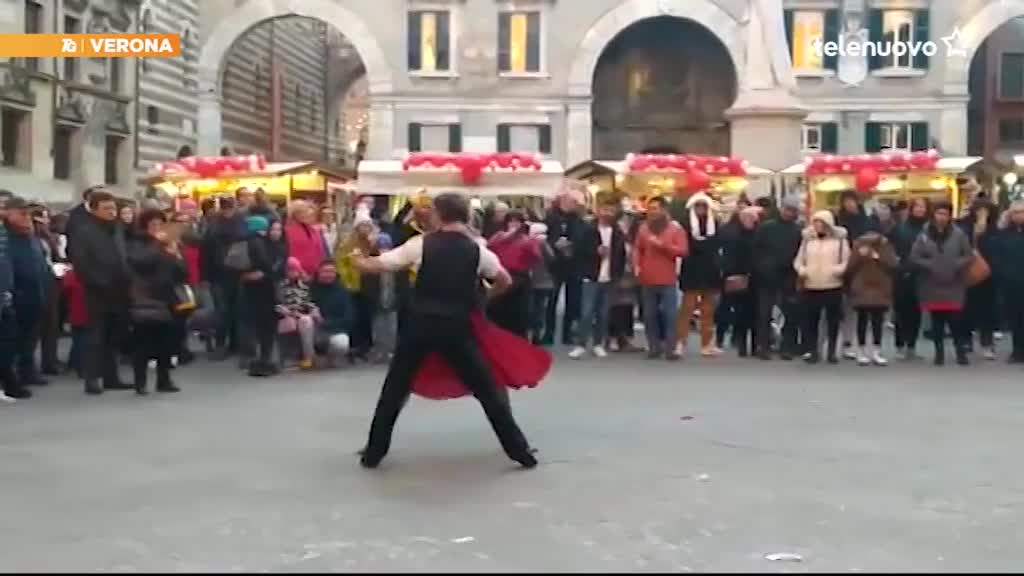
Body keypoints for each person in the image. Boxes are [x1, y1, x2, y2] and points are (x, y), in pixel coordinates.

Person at [352, 193, 539, 470]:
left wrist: (357, 258)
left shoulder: (420, 245)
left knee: (394, 390)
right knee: (488, 391)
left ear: (439, 214)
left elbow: (379, 264)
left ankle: (374, 453)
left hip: (420, 325)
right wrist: (485, 297)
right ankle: (520, 452)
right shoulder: (478, 249)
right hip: (457, 327)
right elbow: (504, 279)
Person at [68, 190, 130, 395]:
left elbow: (123, 256)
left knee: (114, 336)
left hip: (120, 290)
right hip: (97, 291)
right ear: (94, 210)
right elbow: (81, 263)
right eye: (106, 208)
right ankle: (92, 378)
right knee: (95, 336)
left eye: (113, 208)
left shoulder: (117, 229)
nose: (112, 212)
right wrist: (99, 282)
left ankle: (111, 377)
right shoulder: (84, 231)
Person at [127, 209, 186, 394]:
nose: (158, 229)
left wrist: (175, 255)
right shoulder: (138, 243)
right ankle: (140, 381)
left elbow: (182, 273)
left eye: (161, 225)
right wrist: (159, 246)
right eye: (153, 225)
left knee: (166, 342)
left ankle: (164, 379)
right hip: (146, 297)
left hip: (168, 296)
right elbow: (140, 262)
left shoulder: (169, 245)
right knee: (144, 341)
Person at [910, 201, 973, 366]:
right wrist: (931, 264)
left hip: (954, 283)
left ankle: (960, 352)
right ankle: (939, 354)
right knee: (936, 322)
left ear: (950, 216)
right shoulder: (924, 234)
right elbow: (915, 257)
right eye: (939, 213)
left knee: (956, 321)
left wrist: (955, 264)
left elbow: (968, 255)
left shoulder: (959, 234)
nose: (941, 217)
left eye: (945, 214)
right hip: (932, 283)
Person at [570, 199, 626, 359]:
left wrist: (618, 275)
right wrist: (596, 251)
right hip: (591, 276)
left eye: (611, 211)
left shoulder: (617, 232)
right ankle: (581, 344)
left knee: (603, 313)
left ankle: (598, 344)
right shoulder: (588, 230)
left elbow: (621, 255)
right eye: (605, 210)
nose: (608, 213)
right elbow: (578, 251)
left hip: (609, 277)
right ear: (598, 211)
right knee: (586, 312)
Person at [634, 196, 688, 360]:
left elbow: (683, 251)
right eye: (650, 208)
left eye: (655, 208)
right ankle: (653, 347)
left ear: (664, 210)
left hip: (668, 279)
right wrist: (636, 265)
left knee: (670, 315)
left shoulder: (675, 229)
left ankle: (670, 348)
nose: (652, 212)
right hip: (647, 278)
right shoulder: (643, 228)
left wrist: (663, 245)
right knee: (649, 315)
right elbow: (638, 248)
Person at [794, 211, 849, 364]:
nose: (817, 225)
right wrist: (802, 270)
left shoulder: (839, 241)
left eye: (821, 223)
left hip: (832, 285)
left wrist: (837, 270)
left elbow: (846, 260)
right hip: (811, 285)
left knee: (833, 320)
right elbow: (799, 260)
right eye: (815, 222)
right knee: (811, 320)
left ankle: (831, 351)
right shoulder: (807, 240)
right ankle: (813, 351)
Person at [6, 198, 51, 387]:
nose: (26, 218)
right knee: (13, 338)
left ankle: (28, 371)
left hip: (36, 292)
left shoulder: (31, 235)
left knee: (30, 337)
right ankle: (12, 376)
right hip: (17, 292)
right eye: (22, 213)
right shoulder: (7, 236)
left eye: (27, 214)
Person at [752, 197, 803, 360]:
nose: (790, 213)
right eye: (787, 209)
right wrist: (762, 267)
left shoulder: (798, 230)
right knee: (764, 313)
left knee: (791, 313)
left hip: (788, 276)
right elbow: (756, 249)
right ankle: (763, 346)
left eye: (793, 210)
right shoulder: (767, 227)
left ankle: (787, 347)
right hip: (767, 277)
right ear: (781, 209)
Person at [240, 217, 288, 377]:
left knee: (266, 327)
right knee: (260, 326)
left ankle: (264, 360)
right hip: (258, 291)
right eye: (273, 229)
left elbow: (277, 270)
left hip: (269, 290)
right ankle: (260, 361)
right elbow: (265, 267)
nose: (275, 232)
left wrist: (263, 274)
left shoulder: (280, 247)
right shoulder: (259, 244)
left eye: (279, 230)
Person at [676, 192, 722, 357]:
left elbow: (716, 245)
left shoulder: (715, 224)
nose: (701, 209)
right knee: (686, 308)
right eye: (698, 206)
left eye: (704, 206)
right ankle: (680, 342)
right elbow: (687, 247)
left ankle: (707, 344)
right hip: (691, 270)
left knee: (708, 310)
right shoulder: (684, 224)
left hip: (710, 270)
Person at [337, 211, 386, 360]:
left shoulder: (375, 243)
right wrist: (347, 280)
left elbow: (381, 261)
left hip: (370, 284)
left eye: (367, 226)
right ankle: (354, 346)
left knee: (368, 316)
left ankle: (366, 347)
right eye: (362, 226)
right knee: (354, 316)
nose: (365, 229)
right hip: (353, 284)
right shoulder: (348, 244)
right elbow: (341, 263)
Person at [203, 197, 246, 358]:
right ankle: (221, 344)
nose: (227, 209)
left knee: (236, 309)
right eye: (225, 206)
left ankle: (234, 343)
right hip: (219, 273)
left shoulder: (239, 222)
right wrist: (205, 276)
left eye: (229, 206)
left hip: (236, 272)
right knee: (222, 310)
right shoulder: (214, 224)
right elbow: (205, 251)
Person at [846, 230, 898, 366]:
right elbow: (850, 267)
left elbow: (893, 265)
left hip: (880, 287)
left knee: (876, 320)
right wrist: (859, 256)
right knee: (863, 319)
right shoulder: (858, 245)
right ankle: (863, 351)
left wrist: (876, 257)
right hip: (862, 286)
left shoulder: (885, 246)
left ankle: (875, 351)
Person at [835, 190, 876, 359]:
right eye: (846, 201)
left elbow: (875, 238)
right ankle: (834, 342)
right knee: (840, 308)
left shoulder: (866, 220)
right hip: (841, 265)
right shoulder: (837, 221)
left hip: (862, 267)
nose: (849, 204)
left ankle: (850, 342)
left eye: (852, 201)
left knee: (857, 308)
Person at [487, 210, 541, 338]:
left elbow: (535, 257)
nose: (514, 224)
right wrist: (507, 236)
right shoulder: (499, 236)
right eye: (511, 221)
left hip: (520, 278)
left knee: (519, 314)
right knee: (498, 311)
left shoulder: (527, 240)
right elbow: (490, 247)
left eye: (517, 221)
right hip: (501, 276)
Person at [542, 189, 585, 346]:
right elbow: (544, 238)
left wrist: (573, 245)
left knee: (573, 300)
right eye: (569, 201)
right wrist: (555, 244)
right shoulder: (551, 217)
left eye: (574, 202)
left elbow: (582, 237)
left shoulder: (578, 220)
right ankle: (548, 333)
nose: (572, 205)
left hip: (573, 264)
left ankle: (568, 333)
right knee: (551, 300)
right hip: (555, 264)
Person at [958, 198, 999, 360]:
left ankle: (987, 342)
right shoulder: (965, 227)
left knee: (987, 310)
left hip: (990, 273)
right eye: (979, 210)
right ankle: (966, 340)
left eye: (986, 210)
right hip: (970, 271)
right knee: (967, 307)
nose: (982, 214)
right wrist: (976, 233)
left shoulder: (995, 227)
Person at [720, 206, 760, 357]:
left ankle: (756, 346)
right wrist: (730, 272)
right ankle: (742, 345)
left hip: (756, 277)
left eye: (751, 218)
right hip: (738, 277)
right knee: (740, 313)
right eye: (745, 218)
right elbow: (727, 256)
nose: (748, 221)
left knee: (756, 314)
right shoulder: (733, 234)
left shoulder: (759, 234)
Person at [892, 197, 929, 359]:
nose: (920, 209)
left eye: (923, 207)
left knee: (916, 312)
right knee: (901, 311)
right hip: (902, 273)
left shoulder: (929, 229)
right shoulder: (900, 228)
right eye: (917, 206)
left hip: (921, 274)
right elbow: (890, 246)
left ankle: (912, 346)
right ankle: (900, 344)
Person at [994, 201, 1024, 363]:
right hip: (1011, 284)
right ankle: (1017, 351)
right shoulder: (1004, 234)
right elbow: (997, 258)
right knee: (1015, 318)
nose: (1019, 215)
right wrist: (1003, 275)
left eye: (1022, 212)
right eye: (1016, 212)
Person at [277, 256, 319, 370]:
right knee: (291, 322)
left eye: (295, 269)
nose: (293, 272)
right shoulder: (279, 286)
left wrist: (313, 310)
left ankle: (309, 357)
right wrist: (285, 311)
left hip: (301, 315)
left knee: (306, 321)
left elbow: (309, 302)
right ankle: (286, 359)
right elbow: (276, 302)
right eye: (290, 269)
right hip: (283, 316)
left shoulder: (305, 286)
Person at [310, 260, 352, 364]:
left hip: (334, 328)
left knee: (342, 343)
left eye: (331, 271)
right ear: (319, 272)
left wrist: (325, 322)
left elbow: (349, 317)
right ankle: (309, 358)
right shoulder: (309, 288)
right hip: (312, 327)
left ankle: (330, 358)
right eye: (325, 271)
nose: (328, 274)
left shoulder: (342, 291)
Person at [527, 222, 556, 345]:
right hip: (543, 281)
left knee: (534, 309)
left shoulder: (530, 243)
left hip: (534, 280)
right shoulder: (543, 244)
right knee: (539, 309)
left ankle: (534, 334)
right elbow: (552, 259)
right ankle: (536, 334)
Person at [284, 200, 326, 278]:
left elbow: (321, 252)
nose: (306, 214)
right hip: (297, 275)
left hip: (316, 274)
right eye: (302, 212)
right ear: (295, 214)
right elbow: (288, 255)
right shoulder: (288, 231)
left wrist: (322, 269)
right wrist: (300, 271)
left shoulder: (314, 230)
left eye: (306, 211)